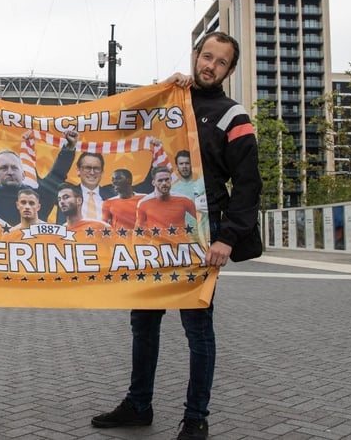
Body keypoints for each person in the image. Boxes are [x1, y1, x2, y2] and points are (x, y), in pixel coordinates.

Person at [91, 31, 261, 440]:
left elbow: (249, 183)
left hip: (202, 234)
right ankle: (138, 404)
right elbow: (122, 126)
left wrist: (228, 238)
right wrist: (164, 89)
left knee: (198, 329)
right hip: (153, 233)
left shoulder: (232, 116)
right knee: (143, 322)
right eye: (207, 57)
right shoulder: (171, 99)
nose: (211, 66)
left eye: (221, 62)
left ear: (230, 70)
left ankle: (196, 417)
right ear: (195, 55)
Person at [57, 151, 153, 224]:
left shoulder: (114, 192)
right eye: (87, 168)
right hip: (73, 245)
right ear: (78, 171)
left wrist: (157, 152)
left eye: (96, 168)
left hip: (108, 246)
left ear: (102, 172)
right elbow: (55, 176)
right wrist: (69, 147)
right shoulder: (66, 194)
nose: (92, 172)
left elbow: (148, 186)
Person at [135, 166, 197, 231]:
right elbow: (137, 231)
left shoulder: (184, 200)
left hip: (181, 240)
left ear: (171, 180)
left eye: (167, 180)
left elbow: (203, 220)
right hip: (157, 240)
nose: (164, 183)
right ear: (153, 183)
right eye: (160, 180)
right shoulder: (143, 203)